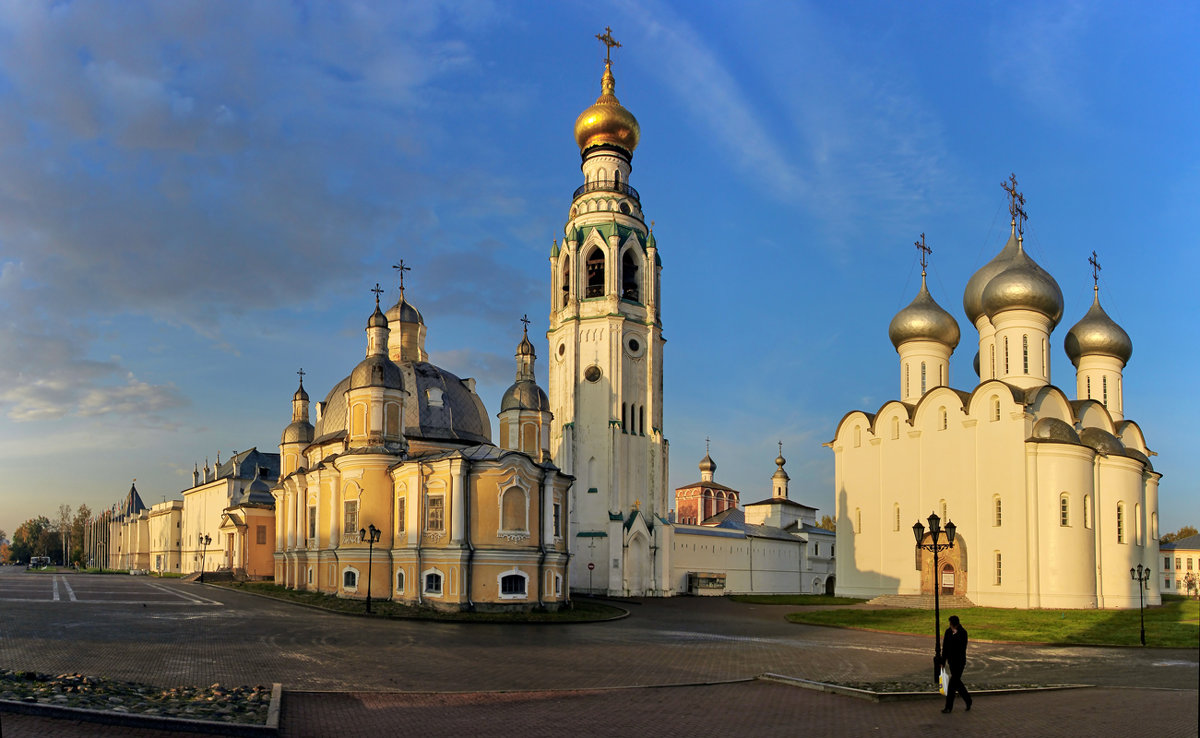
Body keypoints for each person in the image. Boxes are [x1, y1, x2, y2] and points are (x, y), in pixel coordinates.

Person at [940, 614, 972, 713]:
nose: (950, 625)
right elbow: (945, 648)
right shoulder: (948, 632)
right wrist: (943, 661)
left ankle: (948, 707)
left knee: (952, 685)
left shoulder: (963, 633)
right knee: (957, 683)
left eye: (951, 624)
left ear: (954, 624)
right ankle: (968, 700)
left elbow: (962, 647)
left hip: (960, 662)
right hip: (951, 662)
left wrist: (955, 635)